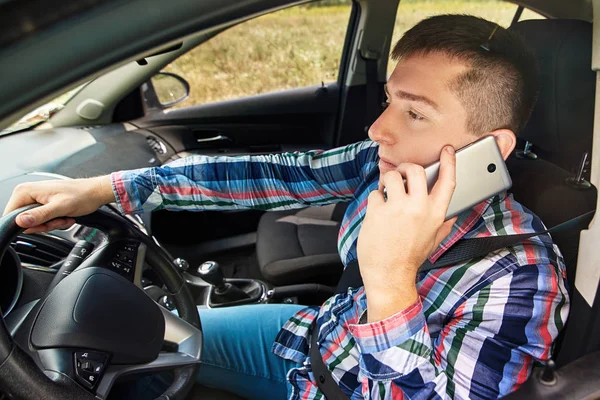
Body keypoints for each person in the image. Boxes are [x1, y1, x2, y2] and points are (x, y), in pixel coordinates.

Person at [4, 14, 568, 400]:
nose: (378, 129)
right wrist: (109, 188)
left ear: (491, 149)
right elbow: (273, 175)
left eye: (414, 114)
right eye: (388, 102)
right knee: (134, 348)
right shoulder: (385, 163)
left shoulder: (522, 277)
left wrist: (392, 279)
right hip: (309, 335)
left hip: (343, 383)